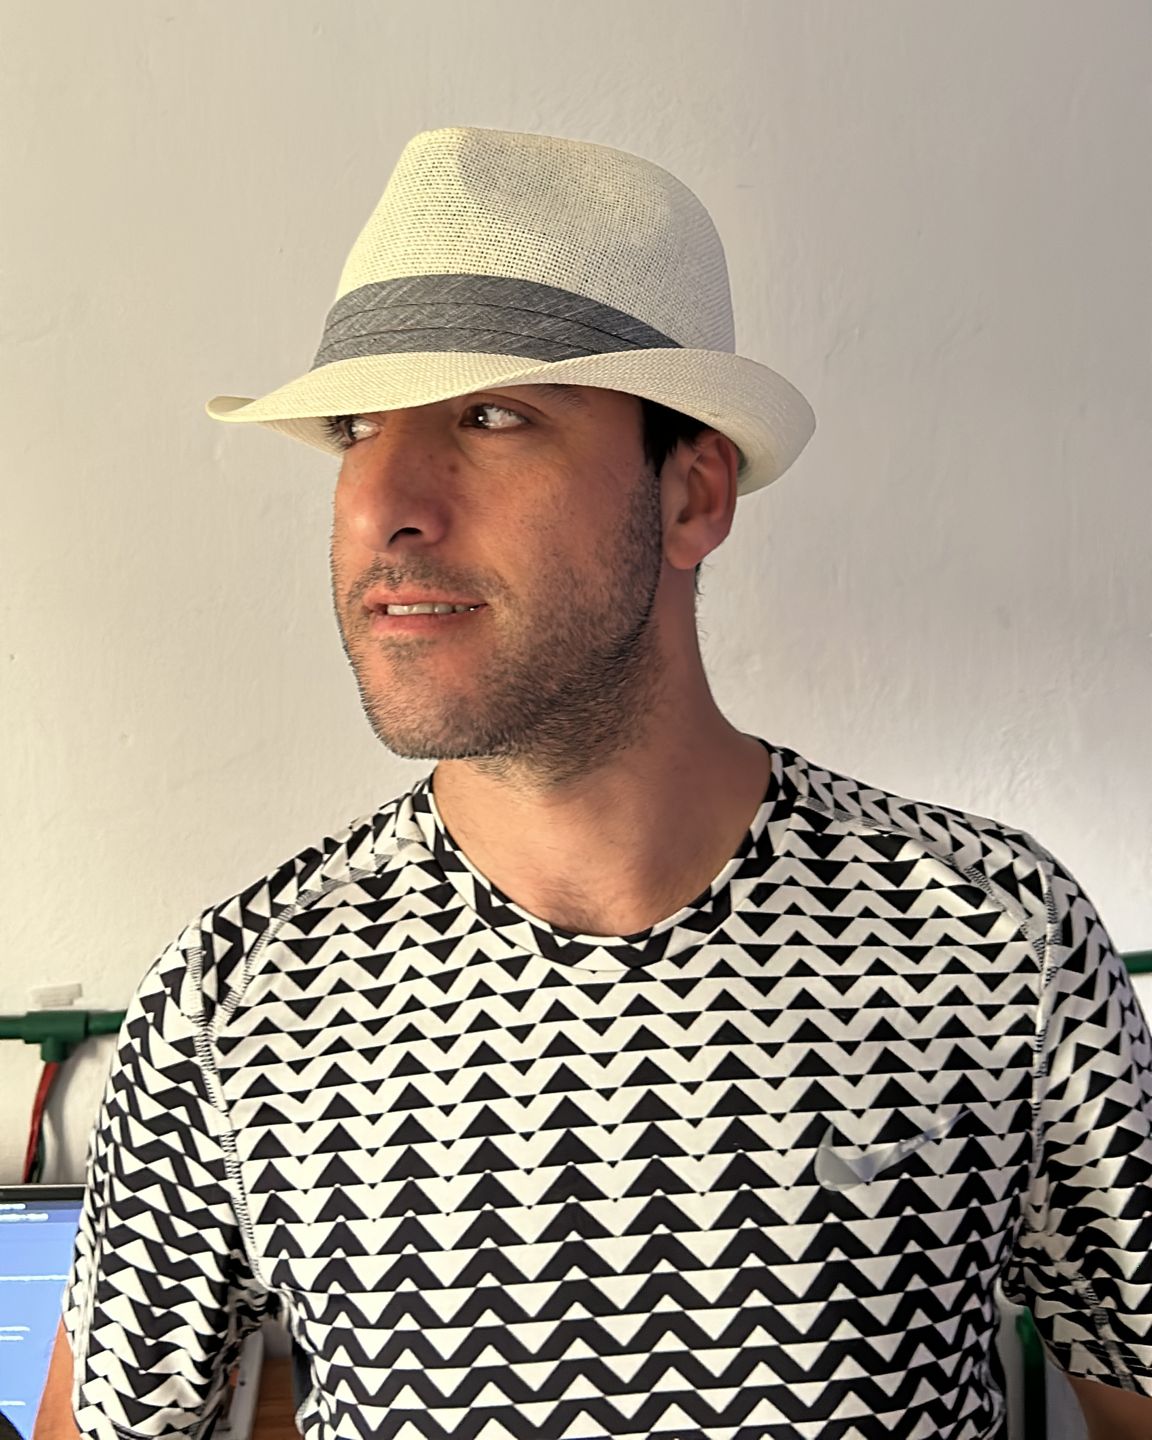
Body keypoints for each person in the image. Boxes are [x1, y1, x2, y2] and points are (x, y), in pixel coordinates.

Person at [37, 126, 1152, 1440]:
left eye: (491, 416)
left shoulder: (990, 933)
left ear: (692, 496)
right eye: (356, 429)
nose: (381, 501)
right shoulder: (241, 994)